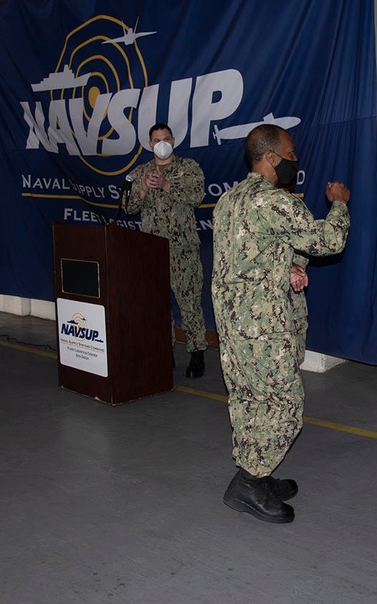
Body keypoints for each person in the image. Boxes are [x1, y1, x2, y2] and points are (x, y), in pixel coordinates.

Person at [212, 124, 350, 523]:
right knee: (284, 402)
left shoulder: (229, 201)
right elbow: (328, 241)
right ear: (271, 157)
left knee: (247, 399)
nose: (295, 161)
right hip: (264, 327)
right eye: (290, 154)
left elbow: (244, 254)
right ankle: (249, 482)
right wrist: (339, 204)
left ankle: (257, 470)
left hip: (233, 324)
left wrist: (287, 264)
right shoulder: (276, 202)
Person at [122, 123, 208, 377]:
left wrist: (166, 184)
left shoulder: (188, 167)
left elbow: (197, 195)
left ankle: (196, 353)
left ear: (173, 140)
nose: (162, 143)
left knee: (190, 304)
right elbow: (128, 207)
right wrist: (145, 188)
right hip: (152, 251)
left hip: (184, 250)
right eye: (157, 140)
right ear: (150, 144)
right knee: (158, 306)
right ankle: (164, 351)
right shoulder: (140, 172)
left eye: (166, 138)